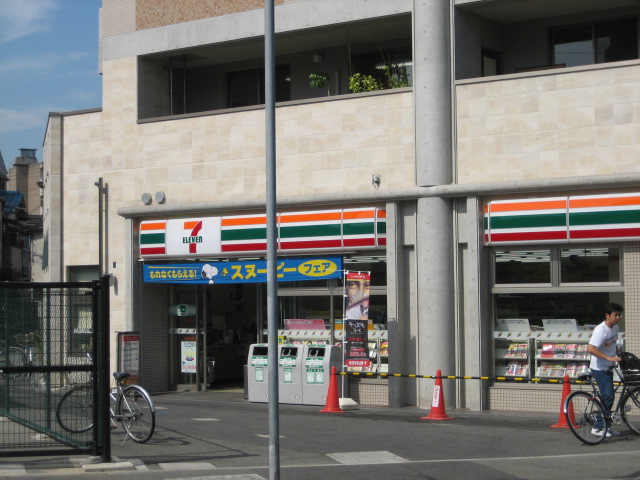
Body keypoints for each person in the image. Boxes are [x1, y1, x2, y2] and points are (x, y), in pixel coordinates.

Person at [587, 302, 623, 437]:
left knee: (609, 397)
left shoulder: (615, 328)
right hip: (599, 367)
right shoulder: (600, 330)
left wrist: (618, 354)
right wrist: (608, 358)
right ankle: (598, 427)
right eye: (616, 315)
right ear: (607, 315)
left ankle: (606, 426)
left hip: (608, 367)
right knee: (608, 395)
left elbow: (613, 344)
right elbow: (590, 349)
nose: (618, 317)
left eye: (620, 315)